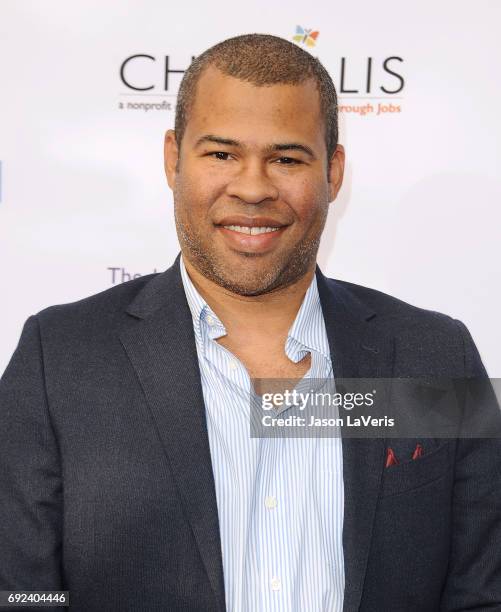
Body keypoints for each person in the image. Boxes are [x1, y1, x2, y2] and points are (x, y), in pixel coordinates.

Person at [0, 33, 500, 612]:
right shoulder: (59, 357)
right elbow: (20, 592)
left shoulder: (435, 354)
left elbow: (481, 591)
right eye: (221, 154)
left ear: (334, 172)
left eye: (286, 159)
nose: (254, 187)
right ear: (172, 158)